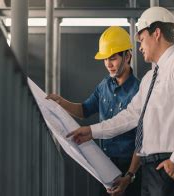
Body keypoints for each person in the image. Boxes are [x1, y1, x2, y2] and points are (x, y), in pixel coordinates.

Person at [67, 7, 174, 196]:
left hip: (168, 164)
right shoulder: (149, 78)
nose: (139, 47)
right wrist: (92, 131)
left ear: (156, 33)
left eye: (142, 40)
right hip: (149, 168)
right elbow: (130, 116)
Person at [46, 26, 141, 196]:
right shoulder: (104, 86)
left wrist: (130, 175)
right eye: (105, 59)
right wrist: (61, 102)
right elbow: (84, 110)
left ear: (127, 56)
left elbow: (143, 140)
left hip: (129, 168)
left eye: (112, 58)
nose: (108, 64)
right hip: (103, 166)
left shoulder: (139, 91)